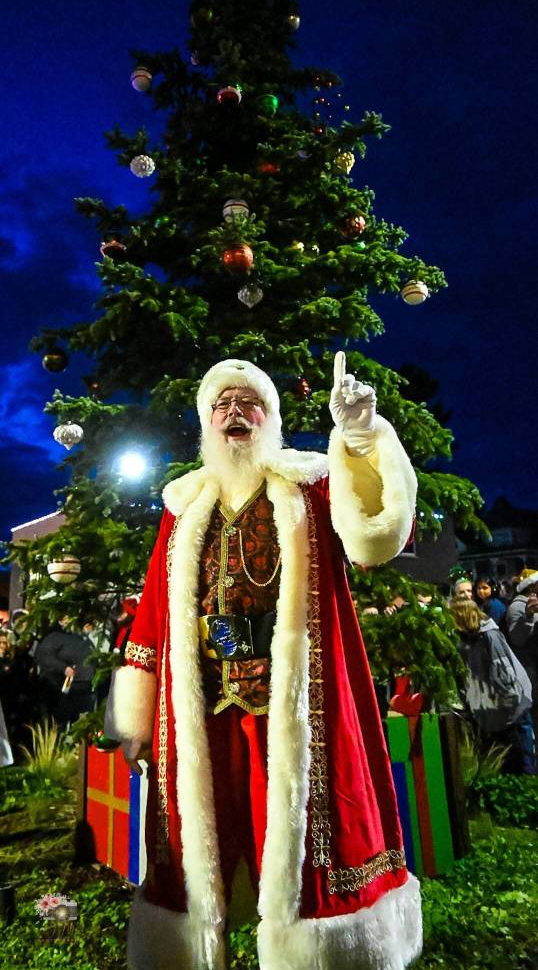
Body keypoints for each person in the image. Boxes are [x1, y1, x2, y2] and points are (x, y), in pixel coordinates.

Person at [105, 354, 420, 970]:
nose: (235, 414)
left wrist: (360, 438)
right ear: (206, 423)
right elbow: (151, 616)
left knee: (304, 837)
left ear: (270, 418)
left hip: (298, 703)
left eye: (249, 404)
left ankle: (318, 950)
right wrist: (134, 717)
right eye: (222, 405)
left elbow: (373, 538)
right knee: (206, 843)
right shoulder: (182, 506)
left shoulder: (309, 485)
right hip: (205, 704)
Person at [450, 598, 534, 773]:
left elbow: (504, 674)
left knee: (519, 763)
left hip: (509, 713)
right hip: (491, 714)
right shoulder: (467, 640)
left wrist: (510, 709)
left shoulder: (489, 636)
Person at [34, 620, 96, 730]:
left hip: (87, 688)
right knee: (59, 724)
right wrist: (63, 668)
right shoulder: (55, 637)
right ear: (60, 621)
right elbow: (42, 655)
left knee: (83, 727)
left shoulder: (84, 638)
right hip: (64, 688)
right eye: (65, 619)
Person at [505, 568, 538, 742]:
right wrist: (528, 616)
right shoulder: (517, 607)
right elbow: (517, 638)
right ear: (532, 587)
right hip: (530, 672)